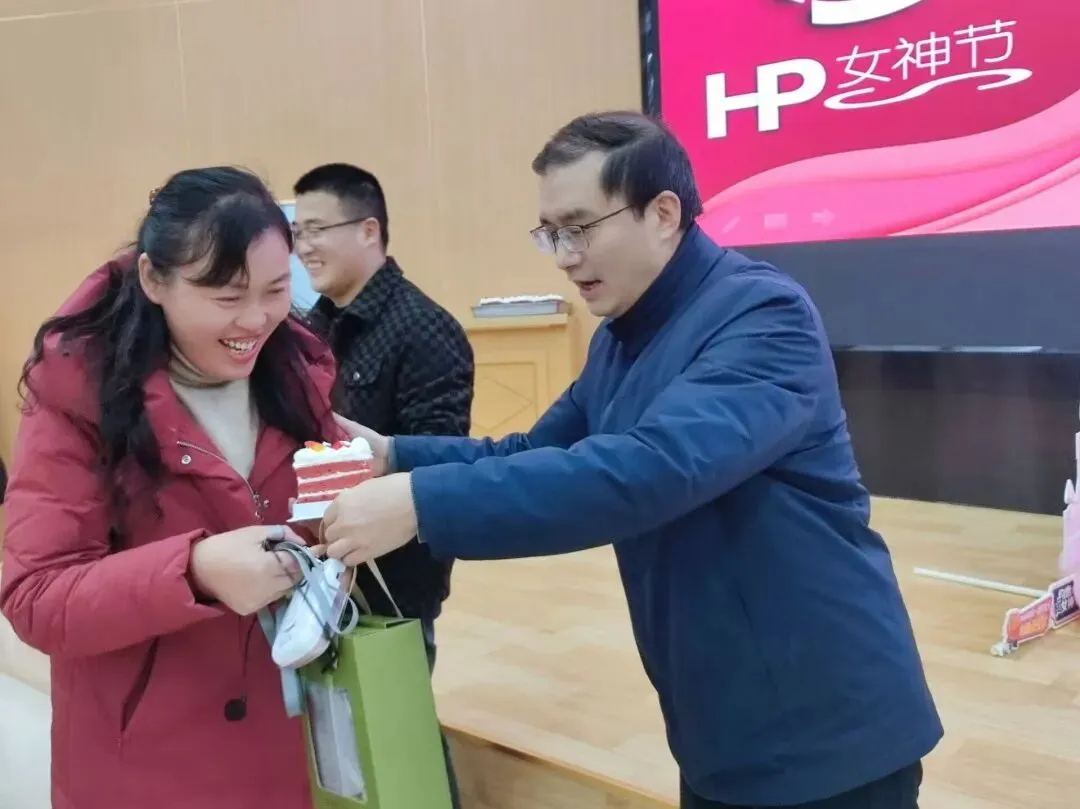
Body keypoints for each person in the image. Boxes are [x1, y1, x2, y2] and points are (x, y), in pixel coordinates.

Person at [318, 112, 944, 809]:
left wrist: (419, 504)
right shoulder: (621, 337)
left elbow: (648, 469)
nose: (563, 256)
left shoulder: (763, 315)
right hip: (718, 718)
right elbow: (538, 451)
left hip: (827, 725)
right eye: (550, 233)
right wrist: (393, 455)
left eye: (579, 228)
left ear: (663, 213)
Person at [0, 167, 341, 809]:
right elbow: (35, 595)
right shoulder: (79, 391)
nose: (256, 319)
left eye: (276, 290)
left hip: (289, 746)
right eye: (226, 296)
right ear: (154, 279)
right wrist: (193, 571)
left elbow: (317, 520)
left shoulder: (297, 371)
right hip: (147, 765)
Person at [291, 163, 473, 805]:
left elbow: (439, 465)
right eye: (297, 232)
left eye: (318, 229)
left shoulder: (425, 328)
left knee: (400, 730)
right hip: (317, 563)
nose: (304, 246)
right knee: (338, 739)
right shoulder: (308, 329)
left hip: (392, 578)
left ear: (369, 230)